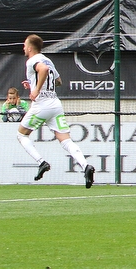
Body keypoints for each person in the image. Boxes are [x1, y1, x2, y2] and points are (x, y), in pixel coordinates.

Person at [16, 34, 95, 188]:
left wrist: (36, 90)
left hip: (42, 106)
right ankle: (85, 166)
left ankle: (41, 162)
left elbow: (43, 70)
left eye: (25, 45)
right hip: (55, 105)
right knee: (65, 140)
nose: (23, 48)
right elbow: (58, 81)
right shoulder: (48, 60)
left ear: (31, 48)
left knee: (21, 135)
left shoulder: (32, 61)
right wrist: (32, 84)